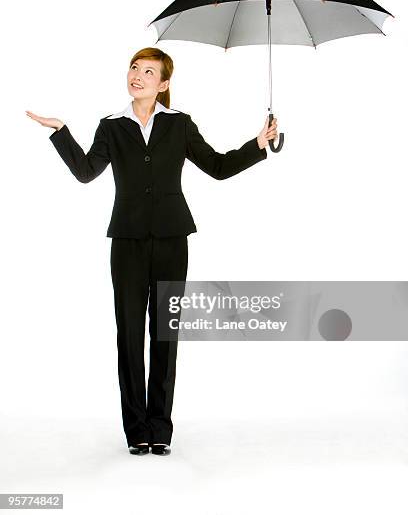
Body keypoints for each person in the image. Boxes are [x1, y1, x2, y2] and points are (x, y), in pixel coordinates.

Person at [25, 47, 278, 456]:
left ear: (163, 84)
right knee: (129, 335)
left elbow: (216, 166)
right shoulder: (111, 126)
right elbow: (87, 172)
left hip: (171, 239)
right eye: (133, 68)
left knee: (165, 333)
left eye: (147, 71)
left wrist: (258, 143)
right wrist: (61, 131)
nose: (136, 76)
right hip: (126, 243)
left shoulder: (179, 125)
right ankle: (136, 430)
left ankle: (160, 427)